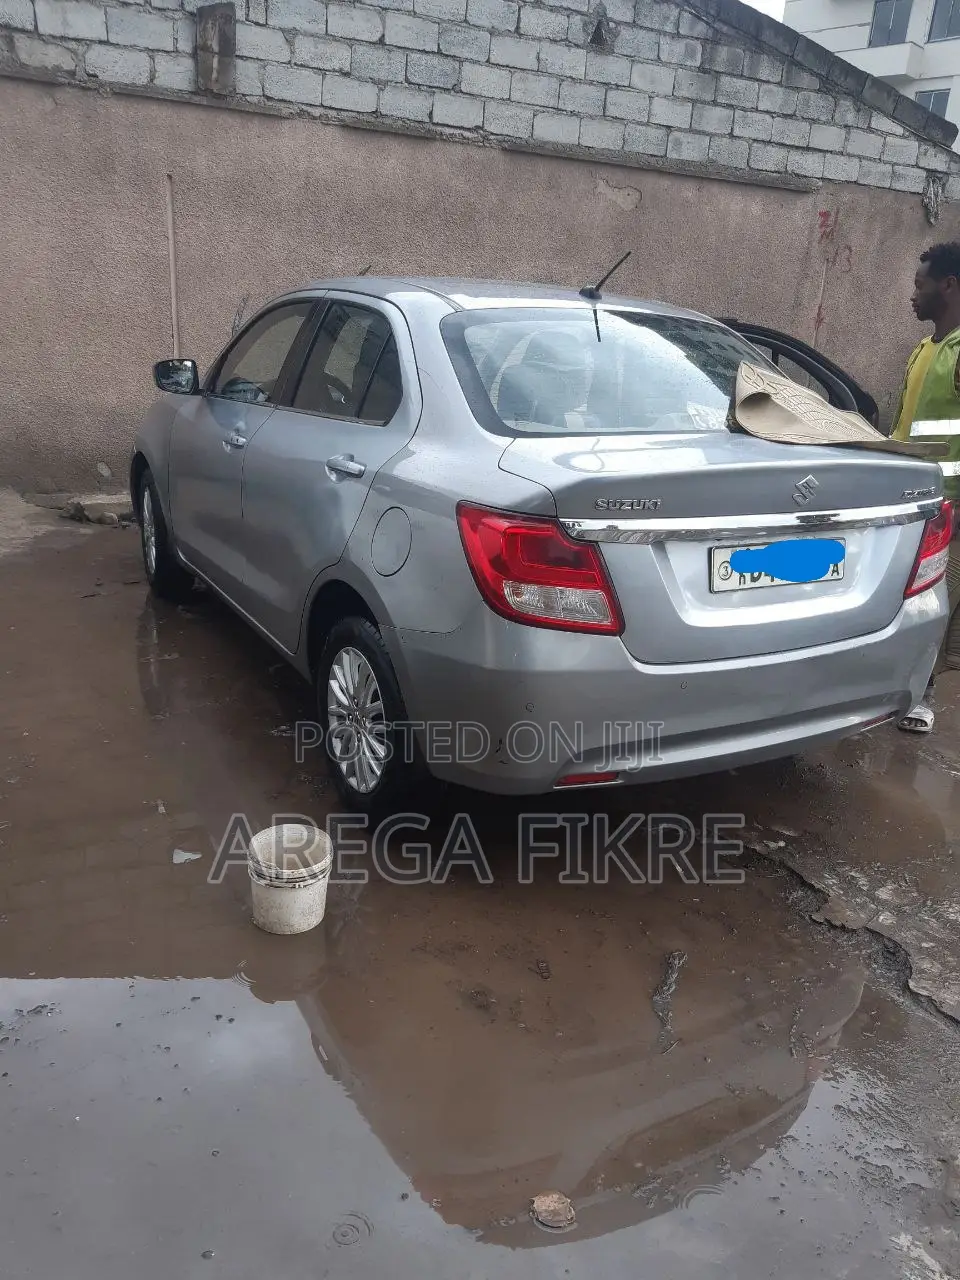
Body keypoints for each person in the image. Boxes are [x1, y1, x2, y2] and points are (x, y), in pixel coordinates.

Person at [890, 241, 960, 732]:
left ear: (948, 286)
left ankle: (922, 694)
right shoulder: (924, 348)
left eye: (920, 285)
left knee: (933, 601)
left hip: (949, 509)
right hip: (911, 501)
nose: (912, 295)